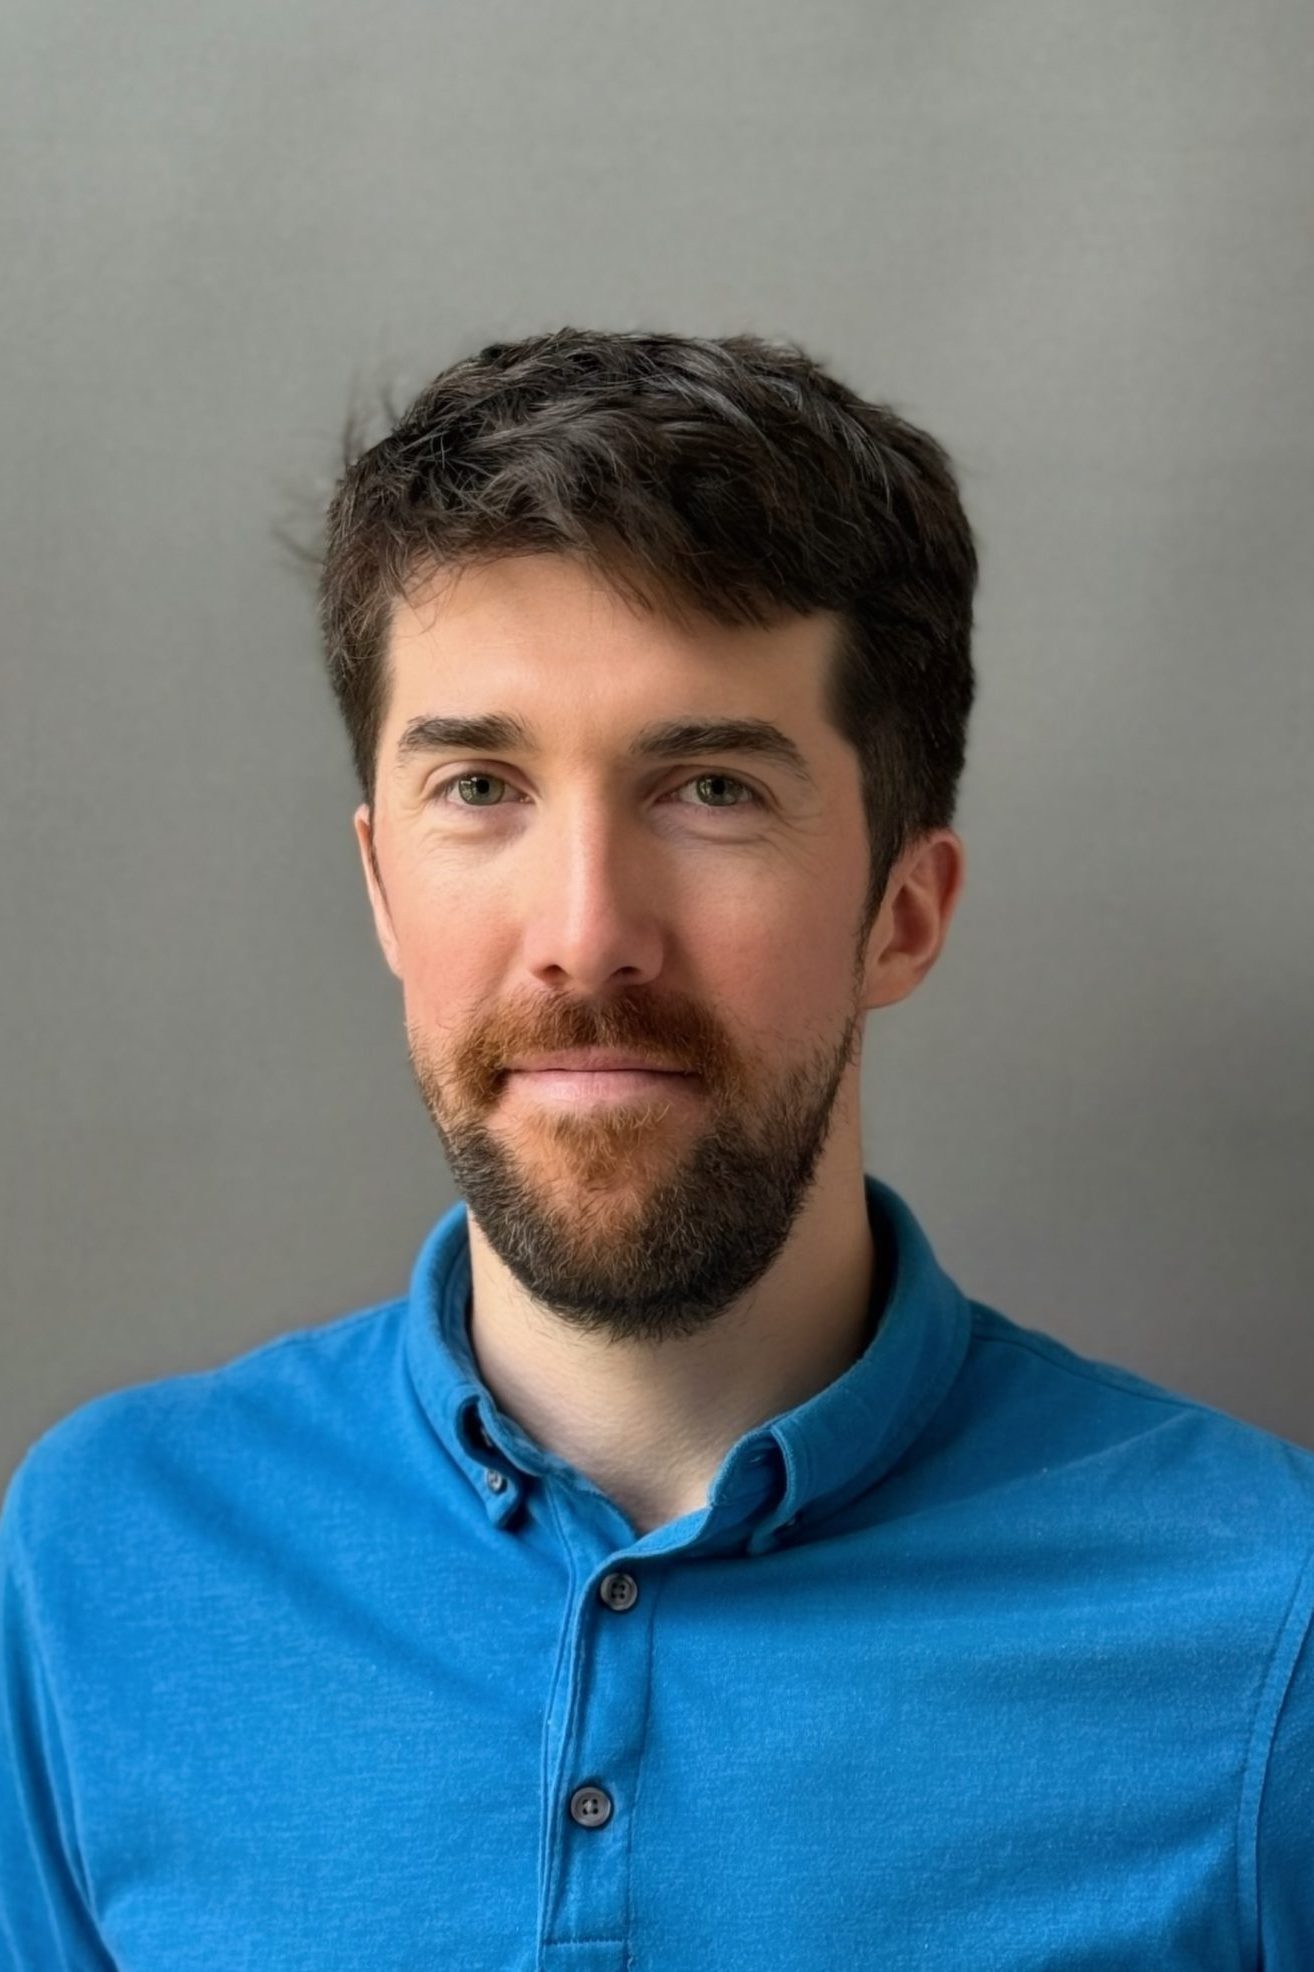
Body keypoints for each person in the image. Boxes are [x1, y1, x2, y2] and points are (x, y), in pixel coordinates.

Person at [1, 328, 1309, 1969]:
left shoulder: (1267, 1626)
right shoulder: (108, 1560)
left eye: (710, 789)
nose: (585, 934)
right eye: (481, 786)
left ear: (902, 913)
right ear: (381, 888)